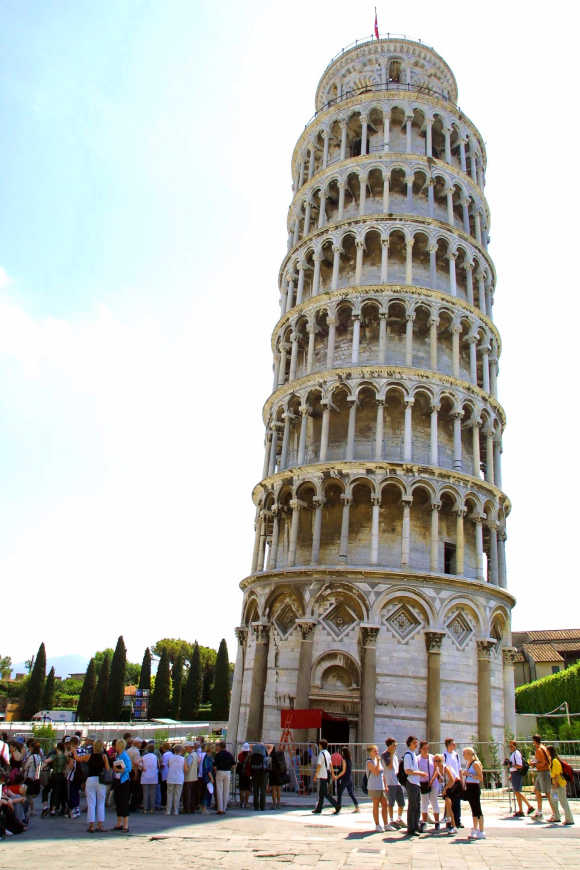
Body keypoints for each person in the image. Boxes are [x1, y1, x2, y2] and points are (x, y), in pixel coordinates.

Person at [404, 736, 428, 836]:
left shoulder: (413, 754)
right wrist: (420, 773)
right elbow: (408, 770)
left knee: (417, 806)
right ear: (409, 743)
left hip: (416, 783)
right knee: (412, 806)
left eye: (416, 743)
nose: (416, 744)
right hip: (412, 782)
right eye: (414, 743)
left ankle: (416, 825)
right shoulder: (408, 755)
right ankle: (411, 828)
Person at [85, 739, 110, 833]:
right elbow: (107, 768)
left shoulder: (89, 756)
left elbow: (78, 758)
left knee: (91, 802)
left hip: (90, 779)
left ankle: (91, 825)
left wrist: (74, 752)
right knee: (101, 803)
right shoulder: (104, 756)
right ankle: (100, 825)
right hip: (101, 779)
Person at [366, 745, 391, 832]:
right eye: (375, 751)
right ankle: (377, 825)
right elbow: (376, 772)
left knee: (385, 804)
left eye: (377, 751)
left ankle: (386, 824)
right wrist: (378, 761)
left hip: (381, 786)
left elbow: (382, 774)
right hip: (374, 786)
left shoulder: (378, 761)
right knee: (376, 805)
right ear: (370, 753)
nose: (377, 752)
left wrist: (386, 785)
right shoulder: (369, 762)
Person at [530, 734, 556, 820]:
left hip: (543, 772)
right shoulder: (542, 747)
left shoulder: (539, 749)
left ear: (534, 741)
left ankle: (555, 813)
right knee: (537, 791)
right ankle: (539, 812)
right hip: (541, 772)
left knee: (548, 793)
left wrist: (534, 764)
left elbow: (544, 762)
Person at [547, 745, 574, 825]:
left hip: (558, 785)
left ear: (549, 751)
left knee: (563, 801)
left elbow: (557, 773)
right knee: (554, 800)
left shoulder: (555, 761)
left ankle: (569, 819)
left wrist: (555, 783)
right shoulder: (552, 760)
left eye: (547, 751)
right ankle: (556, 816)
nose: (546, 752)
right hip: (555, 786)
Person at [462, 747, 485, 839]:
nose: (463, 755)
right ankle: (475, 829)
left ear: (469, 754)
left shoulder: (475, 764)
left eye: (464, 753)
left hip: (474, 787)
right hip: (469, 787)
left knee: (477, 808)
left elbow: (480, 777)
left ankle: (482, 830)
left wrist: (469, 774)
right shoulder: (469, 763)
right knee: (473, 809)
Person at [418, 741, 441, 831]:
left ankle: (437, 822)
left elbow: (436, 769)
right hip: (423, 783)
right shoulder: (418, 759)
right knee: (424, 802)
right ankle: (424, 822)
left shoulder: (432, 758)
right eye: (424, 748)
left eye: (427, 748)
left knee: (434, 801)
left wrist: (431, 780)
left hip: (433, 783)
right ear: (420, 749)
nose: (426, 750)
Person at [434, 753, 460, 834]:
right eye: (435, 761)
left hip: (454, 785)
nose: (437, 762)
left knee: (450, 806)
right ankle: (451, 823)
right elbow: (441, 780)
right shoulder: (438, 769)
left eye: (439, 761)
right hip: (448, 785)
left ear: (443, 761)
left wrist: (445, 789)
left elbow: (452, 780)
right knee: (448, 806)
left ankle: (454, 825)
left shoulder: (446, 768)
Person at [507, 740, 534, 817]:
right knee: (517, 792)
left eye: (512, 746)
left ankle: (528, 807)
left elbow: (519, 766)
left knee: (518, 792)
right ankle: (522, 810)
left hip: (517, 774)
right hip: (514, 774)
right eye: (510, 746)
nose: (510, 747)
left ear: (515, 746)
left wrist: (511, 765)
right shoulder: (513, 754)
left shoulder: (516, 754)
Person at [312, 738, 338, 815]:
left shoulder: (321, 754)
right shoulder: (327, 753)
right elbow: (330, 765)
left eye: (319, 745)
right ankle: (319, 808)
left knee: (325, 793)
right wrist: (333, 774)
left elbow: (319, 765)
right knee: (321, 793)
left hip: (322, 775)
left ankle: (337, 805)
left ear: (321, 745)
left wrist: (315, 775)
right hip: (327, 774)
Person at [111, 738, 132, 832]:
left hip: (124, 781)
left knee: (123, 802)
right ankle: (119, 823)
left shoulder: (124, 755)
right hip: (118, 780)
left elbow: (129, 768)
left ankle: (126, 825)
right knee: (118, 801)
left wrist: (119, 770)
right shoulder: (118, 755)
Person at [382, 739, 404, 828]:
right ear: (390, 745)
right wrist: (391, 754)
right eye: (394, 745)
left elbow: (396, 769)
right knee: (391, 803)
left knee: (401, 802)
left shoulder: (394, 755)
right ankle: (391, 820)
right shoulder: (385, 755)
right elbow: (390, 766)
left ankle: (399, 819)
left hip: (396, 781)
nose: (396, 747)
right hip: (389, 782)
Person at [443, 738, 463, 829]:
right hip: (449, 781)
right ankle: (449, 821)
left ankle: (457, 821)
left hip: (456, 780)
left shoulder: (456, 755)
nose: (454, 745)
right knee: (449, 802)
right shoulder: (444, 755)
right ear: (448, 745)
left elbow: (459, 769)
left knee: (457, 802)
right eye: (452, 744)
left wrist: (462, 781)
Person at [335, 746, 359, 814]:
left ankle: (338, 809)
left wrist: (337, 776)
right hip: (349, 778)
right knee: (351, 793)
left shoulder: (344, 760)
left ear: (343, 752)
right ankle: (357, 808)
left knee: (339, 793)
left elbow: (343, 771)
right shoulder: (349, 759)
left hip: (345, 778)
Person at [214, 741, 235, 814]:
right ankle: (224, 808)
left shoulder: (218, 754)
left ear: (220, 747)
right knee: (226, 790)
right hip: (228, 772)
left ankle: (220, 809)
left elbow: (215, 765)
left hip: (220, 771)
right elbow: (234, 764)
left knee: (219, 790)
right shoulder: (229, 754)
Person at [166, 744, 185, 816]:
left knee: (169, 794)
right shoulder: (183, 759)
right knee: (177, 795)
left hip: (170, 777)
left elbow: (168, 765)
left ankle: (168, 810)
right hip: (179, 778)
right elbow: (185, 769)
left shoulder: (170, 758)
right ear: (181, 751)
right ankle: (176, 810)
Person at [140, 742, 159, 814]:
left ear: (147, 749)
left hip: (145, 776)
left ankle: (145, 809)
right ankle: (152, 809)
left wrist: (142, 768)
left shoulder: (144, 757)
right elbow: (158, 766)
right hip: (154, 776)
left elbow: (139, 763)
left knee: (145, 793)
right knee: (153, 793)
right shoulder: (155, 757)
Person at [250, 740, 269, 812]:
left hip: (255, 773)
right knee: (263, 790)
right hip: (263, 773)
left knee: (255, 790)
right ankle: (262, 806)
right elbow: (267, 763)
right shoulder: (264, 753)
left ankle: (256, 806)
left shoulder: (253, 754)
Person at [126, 737, 143, 813]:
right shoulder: (136, 752)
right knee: (135, 790)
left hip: (128, 771)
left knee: (129, 789)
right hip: (133, 771)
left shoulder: (128, 750)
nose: (141, 745)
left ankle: (126, 805)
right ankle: (133, 806)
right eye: (140, 743)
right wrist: (136, 773)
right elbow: (136, 763)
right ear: (137, 743)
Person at [269, 744, 288, 810]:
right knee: (278, 790)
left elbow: (269, 764)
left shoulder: (271, 755)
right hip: (279, 773)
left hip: (272, 773)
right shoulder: (281, 755)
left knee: (273, 790)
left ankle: (274, 804)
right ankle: (278, 803)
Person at [182, 743, 198, 814]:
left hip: (188, 778)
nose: (185, 749)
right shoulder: (195, 754)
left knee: (187, 794)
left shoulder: (190, 756)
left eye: (186, 747)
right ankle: (192, 808)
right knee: (192, 794)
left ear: (190, 747)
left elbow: (187, 768)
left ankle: (187, 809)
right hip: (194, 777)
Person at [200, 745, 215, 814]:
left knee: (206, 792)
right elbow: (208, 769)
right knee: (206, 792)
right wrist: (211, 778)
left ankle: (203, 807)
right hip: (207, 777)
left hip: (206, 776)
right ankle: (204, 808)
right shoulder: (208, 757)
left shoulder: (208, 756)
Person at [237, 742, 252, 809]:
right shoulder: (250, 755)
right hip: (248, 774)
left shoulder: (240, 755)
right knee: (247, 789)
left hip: (241, 773)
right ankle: (246, 803)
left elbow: (239, 761)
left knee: (241, 788)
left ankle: (241, 802)